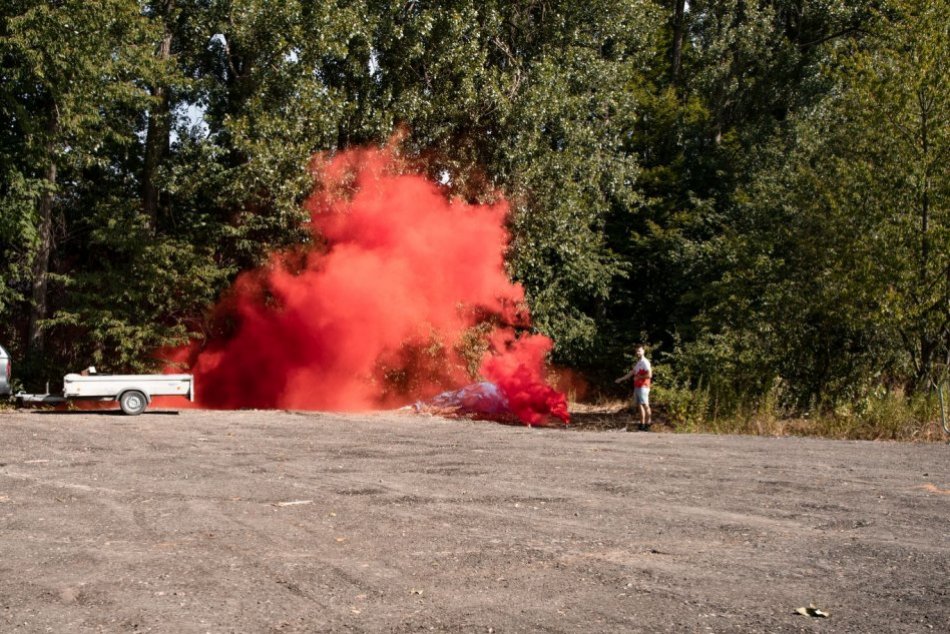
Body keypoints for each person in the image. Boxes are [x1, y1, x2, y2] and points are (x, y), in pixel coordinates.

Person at [615, 345, 652, 430]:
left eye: (639, 351)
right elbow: (631, 373)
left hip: (644, 387)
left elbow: (649, 375)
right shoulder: (639, 363)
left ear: (643, 351)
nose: (638, 353)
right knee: (640, 405)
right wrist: (621, 379)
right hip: (637, 387)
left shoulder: (645, 362)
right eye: (637, 351)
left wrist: (639, 377)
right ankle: (642, 424)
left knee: (645, 405)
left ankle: (648, 424)